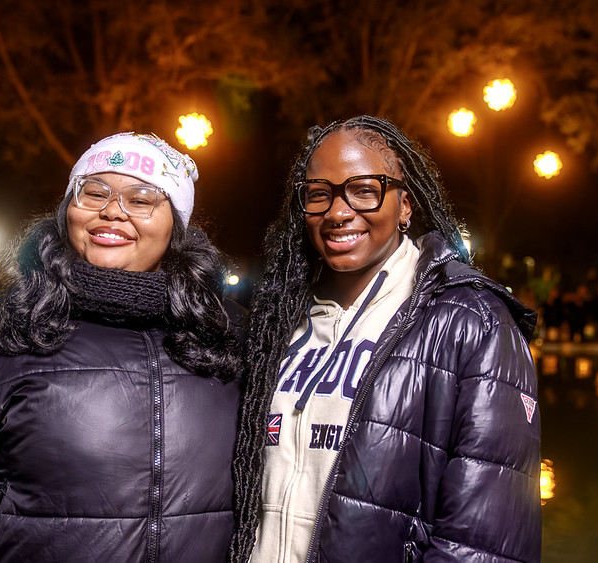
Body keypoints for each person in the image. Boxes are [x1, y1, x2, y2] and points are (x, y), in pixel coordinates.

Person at [0, 132, 243, 561]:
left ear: (176, 224)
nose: (112, 212)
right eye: (94, 193)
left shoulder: (227, 333)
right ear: (68, 210)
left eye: (141, 200)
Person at [230, 116, 541, 563]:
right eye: (319, 194)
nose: (338, 212)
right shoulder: (278, 323)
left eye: (364, 190)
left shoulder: (472, 322)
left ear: (405, 205)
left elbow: (485, 541)